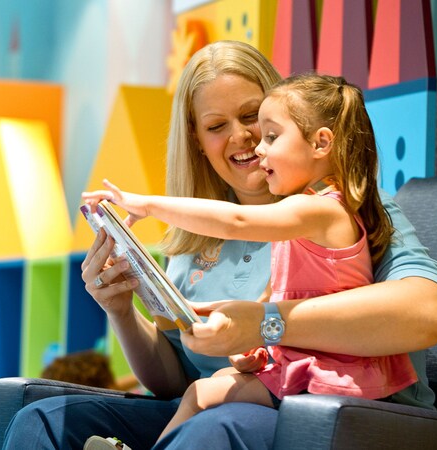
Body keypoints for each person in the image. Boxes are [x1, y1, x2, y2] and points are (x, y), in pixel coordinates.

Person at [1, 40, 437, 450]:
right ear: (197, 141)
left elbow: (428, 313)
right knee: (42, 420)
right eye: (217, 125)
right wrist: (120, 309)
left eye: (255, 116)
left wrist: (265, 324)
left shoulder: (349, 207)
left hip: (341, 414)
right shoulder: (193, 240)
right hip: (226, 405)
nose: (242, 137)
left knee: (215, 427)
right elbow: (173, 380)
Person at [82, 73, 419, 444]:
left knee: (201, 395)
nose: (258, 147)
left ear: (321, 143)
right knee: (212, 386)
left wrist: (146, 204)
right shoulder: (311, 216)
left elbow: (236, 221)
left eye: (270, 135)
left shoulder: (319, 211)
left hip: (333, 374)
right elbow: (274, 303)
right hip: (310, 363)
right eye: (216, 125)